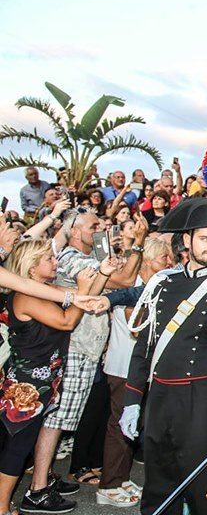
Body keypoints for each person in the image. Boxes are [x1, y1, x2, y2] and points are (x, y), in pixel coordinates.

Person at [119, 198, 207, 515]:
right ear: (187, 240)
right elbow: (145, 346)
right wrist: (131, 399)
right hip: (160, 396)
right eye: (206, 238)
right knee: (157, 484)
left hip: (203, 400)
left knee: (201, 491)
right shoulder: (163, 283)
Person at [24, 211, 147, 511]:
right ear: (75, 232)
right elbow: (126, 280)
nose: (102, 229)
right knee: (56, 420)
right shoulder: (70, 257)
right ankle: (37, 488)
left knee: (63, 418)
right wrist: (137, 244)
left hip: (87, 348)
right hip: (76, 347)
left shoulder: (86, 258)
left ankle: (45, 477)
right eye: (94, 226)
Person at [0, 240, 108, 515]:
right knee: (17, 447)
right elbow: (67, 321)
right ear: (32, 267)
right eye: (48, 258)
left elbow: (80, 299)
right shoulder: (25, 296)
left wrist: (103, 274)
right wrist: (82, 291)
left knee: (18, 446)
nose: (55, 262)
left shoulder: (46, 290)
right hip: (27, 386)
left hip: (44, 382)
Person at [98, 237, 174, 508]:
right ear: (149, 260)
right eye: (164, 258)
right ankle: (109, 485)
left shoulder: (150, 287)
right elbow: (136, 326)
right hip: (124, 366)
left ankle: (121, 477)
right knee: (120, 424)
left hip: (137, 368)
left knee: (131, 424)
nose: (169, 262)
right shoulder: (136, 288)